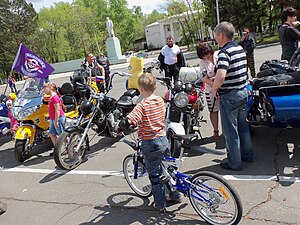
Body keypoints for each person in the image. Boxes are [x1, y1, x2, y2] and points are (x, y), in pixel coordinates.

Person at [119, 73, 181, 212]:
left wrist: (123, 124)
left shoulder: (142, 106)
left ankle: (160, 204)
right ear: (155, 86)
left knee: (155, 176)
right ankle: (175, 195)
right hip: (163, 139)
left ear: (141, 89)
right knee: (168, 170)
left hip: (150, 142)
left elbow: (129, 121)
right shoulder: (160, 100)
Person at [212, 21, 254, 171]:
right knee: (243, 127)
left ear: (221, 35)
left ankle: (235, 163)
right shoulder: (239, 48)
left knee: (231, 132)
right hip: (243, 92)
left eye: (216, 36)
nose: (215, 39)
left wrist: (214, 88)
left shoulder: (224, 52)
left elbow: (221, 75)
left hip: (230, 96)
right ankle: (248, 155)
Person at [196, 42, 220, 140]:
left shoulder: (218, 55)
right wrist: (213, 84)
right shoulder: (203, 63)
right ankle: (216, 130)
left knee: (227, 110)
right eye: (204, 55)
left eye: (208, 53)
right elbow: (204, 78)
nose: (207, 56)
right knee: (213, 110)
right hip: (210, 89)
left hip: (224, 87)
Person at [44, 82, 65, 148]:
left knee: (62, 135)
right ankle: (57, 149)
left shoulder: (55, 97)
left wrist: (56, 121)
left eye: (45, 88)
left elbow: (57, 110)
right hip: (53, 118)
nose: (44, 89)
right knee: (51, 134)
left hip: (58, 118)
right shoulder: (51, 97)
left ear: (50, 88)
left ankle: (68, 148)